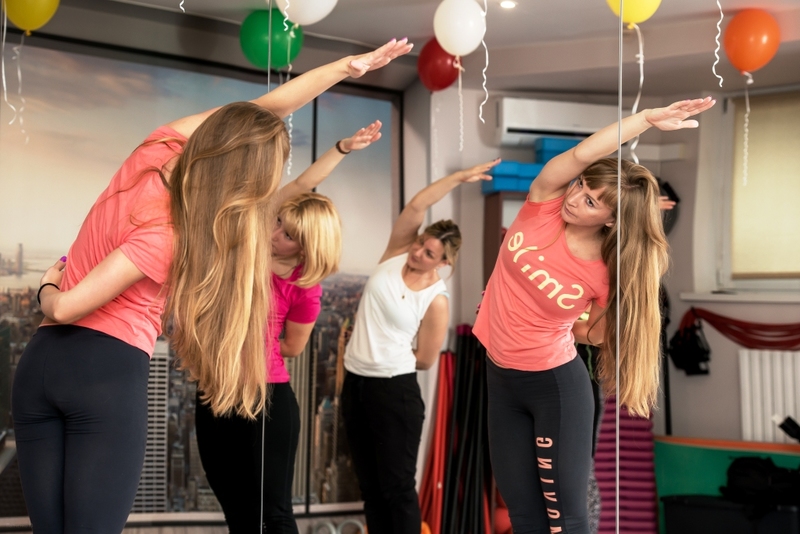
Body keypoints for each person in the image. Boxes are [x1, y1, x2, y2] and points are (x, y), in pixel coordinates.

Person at [10, 39, 412, 533]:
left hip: (40, 364)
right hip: (104, 374)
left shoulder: (155, 148)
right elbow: (64, 307)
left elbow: (263, 109)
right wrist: (46, 291)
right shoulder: (175, 233)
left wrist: (345, 67)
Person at [473, 97, 716, 534]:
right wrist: (645, 119)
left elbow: (595, 334)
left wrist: (545, 322)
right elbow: (583, 153)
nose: (575, 199)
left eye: (591, 202)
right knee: (523, 515)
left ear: (611, 221)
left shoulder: (606, 271)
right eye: (582, 186)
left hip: (553, 387)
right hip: (500, 378)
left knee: (567, 520)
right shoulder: (544, 203)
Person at [194, 121, 383, 533]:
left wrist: (246, 342)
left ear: (307, 246)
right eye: (278, 221)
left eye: (288, 234)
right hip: (215, 390)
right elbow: (300, 184)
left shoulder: (304, 287)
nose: (274, 232)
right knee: (235, 508)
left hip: (266, 398)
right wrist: (343, 147)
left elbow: (293, 347)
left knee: (274, 512)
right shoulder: (251, 247)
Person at [341, 158, 501, 534]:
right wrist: (458, 177)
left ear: (443, 263)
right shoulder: (396, 252)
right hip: (355, 384)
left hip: (393, 391)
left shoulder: (436, 299)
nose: (417, 253)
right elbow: (416, 205)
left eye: (429, 253)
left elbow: (426, 359)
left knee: (397, 489)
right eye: (420, 244)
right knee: (370, 489)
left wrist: (384, 357)